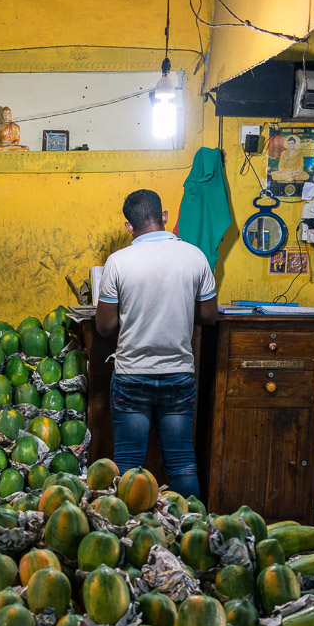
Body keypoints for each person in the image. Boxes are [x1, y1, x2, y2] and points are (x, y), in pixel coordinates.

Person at [95, 189, 217, 499]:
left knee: (128, 465)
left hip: (132, 376)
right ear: (164, 217)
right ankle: (195, 535)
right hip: (178, 375)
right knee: (182, 464)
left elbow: (105, 326)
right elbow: (208, 315)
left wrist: (136, 314)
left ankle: (125, 536)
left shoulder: (118, 262)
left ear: (128, 226)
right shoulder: (195, 256)